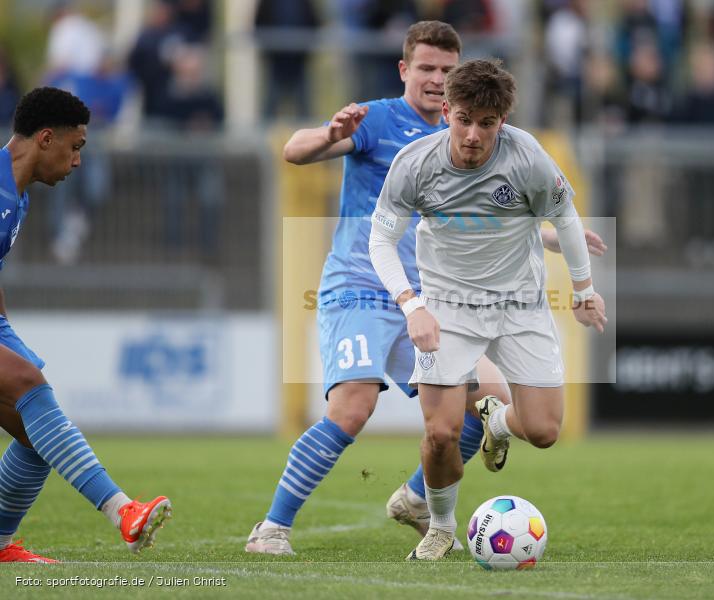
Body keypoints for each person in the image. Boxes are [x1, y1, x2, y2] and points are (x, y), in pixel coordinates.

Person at [245, 21, 604, 556]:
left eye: (446, 70)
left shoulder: (477, 134)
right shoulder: (378, 119)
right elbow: (294, 151)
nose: (436, 79)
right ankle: (272, 528)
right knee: (353, 407)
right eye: (426, 68)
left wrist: (549, 237)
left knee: (488, 405)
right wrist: (329, 132)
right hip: (365, 286)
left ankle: (417, 498)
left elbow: (488, 210)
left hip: (438, 297)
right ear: (404, 70)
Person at [368, 58, 607, 560]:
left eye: (487, 123)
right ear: (447, 110)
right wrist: (412, 306)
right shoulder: (415, 163)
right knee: (440, 434)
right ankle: (439, 523)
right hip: (447, 309)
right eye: (464, 119)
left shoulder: (528, 157)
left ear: (502, 121)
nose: (474, 134)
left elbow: (564, 215)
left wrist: (584, 289)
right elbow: (381, 241)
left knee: (543, 431)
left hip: (520, 305)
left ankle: (497, 423)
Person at [0, 87, 172, 562]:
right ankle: (123, 512)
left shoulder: (16, 196)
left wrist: (7, 338)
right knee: (30, 386)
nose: (77, 162)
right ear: (47, 138)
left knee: (40, 435)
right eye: (75, 149)